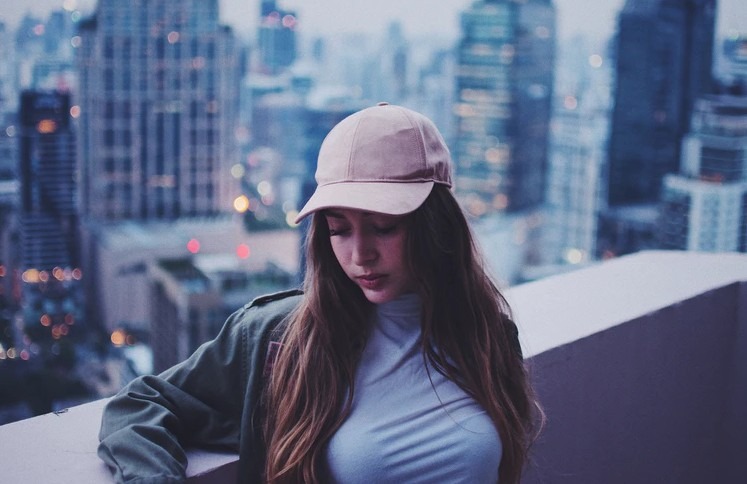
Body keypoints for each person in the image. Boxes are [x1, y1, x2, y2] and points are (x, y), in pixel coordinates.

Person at [98, 102, 541, 484]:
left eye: (384, 227)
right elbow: (140, 403)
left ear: (435, 226)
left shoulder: (489, 336)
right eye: (339, 230)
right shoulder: (278, 338)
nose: (359, 255)